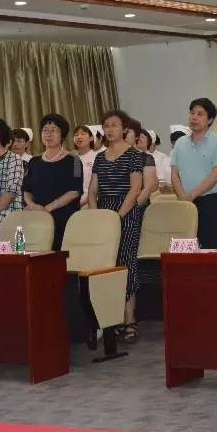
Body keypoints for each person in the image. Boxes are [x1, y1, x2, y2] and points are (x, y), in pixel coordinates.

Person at [88, 110, 145, 343]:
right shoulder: (100, 157)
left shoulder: (134, 155)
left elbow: (135, 189)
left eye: (114, 125)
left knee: (125, 263)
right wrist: (96, 215)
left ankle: (130, 320)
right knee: (106, 266)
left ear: (124, 129)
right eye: (106, 126)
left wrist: (118, 216)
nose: (109, 129)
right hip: (104, 212)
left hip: (126, 212)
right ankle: (111, 319)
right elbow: (92, 190)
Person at [171, 98, 217, 249]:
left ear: (210, 120)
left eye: (200, 114)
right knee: (185, 250)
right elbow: (174, 174)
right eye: (192, 113)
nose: (194, 117)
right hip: (184, 203)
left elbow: (216, 174)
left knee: (211, 250)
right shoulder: (180, 143)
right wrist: (183, 197)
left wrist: (192, 195)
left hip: (211, 203)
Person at [22, 113, 83, 250]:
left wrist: (48, 208)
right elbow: (26, 190)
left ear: (62, 135)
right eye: (45, 130)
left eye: (53, 130)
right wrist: (33, 206)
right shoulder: (34, 161)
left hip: (64, 220)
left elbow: (75, 191)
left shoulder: (75, 161)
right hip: (37, 219)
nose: (48, 134)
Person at [72, 124, 98, 199]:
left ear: (91, 138)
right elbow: (76, 182)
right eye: (76, 135)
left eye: (83, 134)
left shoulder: (97, 157)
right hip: (76, 197)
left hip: (93, 199)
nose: (79, 137)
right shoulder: (75, 158)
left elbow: (99, 186)